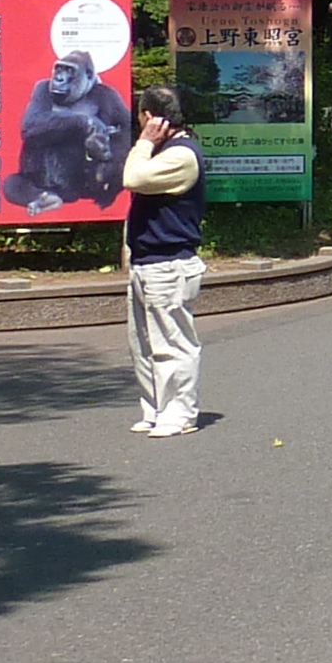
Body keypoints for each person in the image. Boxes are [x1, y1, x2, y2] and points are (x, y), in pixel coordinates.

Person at [122, 84, 209, 435]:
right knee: (143, 345)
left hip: (170, 264)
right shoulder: (165, 152)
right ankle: (156, 408)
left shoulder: (181, 154)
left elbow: (133, 178)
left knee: (172, 344)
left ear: (149, 117)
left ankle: (180, 412)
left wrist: (143, 142)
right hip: (147, 262)